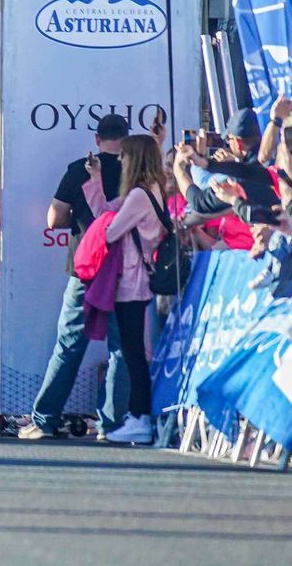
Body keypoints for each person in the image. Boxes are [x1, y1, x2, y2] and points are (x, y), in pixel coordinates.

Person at [19, 113, 133, 441]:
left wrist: (81, 221)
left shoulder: (79, 169)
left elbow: (54, 218)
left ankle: (45, 420)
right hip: (125, 266)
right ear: (125, 139)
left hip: (87, 266)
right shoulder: (136, 171)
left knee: (69, 344)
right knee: (121, 346)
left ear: (97, 139)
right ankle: (111, 425)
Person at [90, 136, 170, 446]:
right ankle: (139, 416)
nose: (120, 162)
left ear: (134, 159)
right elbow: (106, 212)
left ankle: (139, 416)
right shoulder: (151, 191)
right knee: (134, 349)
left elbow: (109, 230)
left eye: (124, 157)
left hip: (132, 281)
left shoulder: (139, 195)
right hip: (138, 279)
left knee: (133, 351)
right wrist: (97, 179)